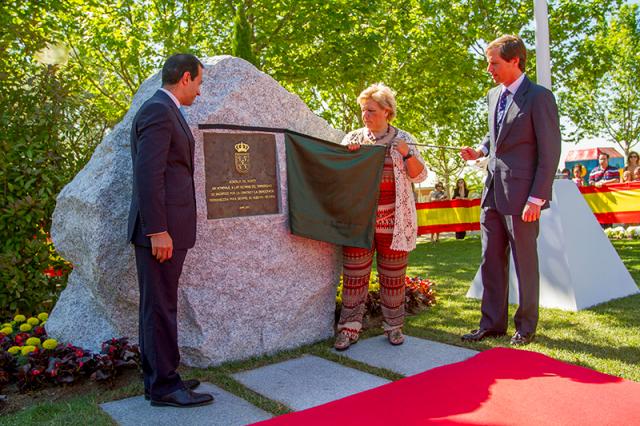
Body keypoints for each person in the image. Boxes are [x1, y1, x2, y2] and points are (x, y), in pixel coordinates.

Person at [459, 35, 561, 345]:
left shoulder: (540, 97)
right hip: (492, 192)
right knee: (490, 259)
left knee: (524, 263)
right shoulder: (493, 95)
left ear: (515, 61)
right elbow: (495, 136)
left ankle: (526, 327)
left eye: (494, 63)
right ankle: (491, 324)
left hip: (523, 197)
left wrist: (536, 197)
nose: (489, 69)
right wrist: (479, 151)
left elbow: (550, 151)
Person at [128, 54, 213, 407]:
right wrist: (158, 230)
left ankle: (161, 378)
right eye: (199, 83)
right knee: (160, 308)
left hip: (166, 231)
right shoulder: (159, 111)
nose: (200, 91)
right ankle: (164, 386)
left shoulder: (166, 109)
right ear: (186, 78)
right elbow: (149, 176)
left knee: (160, 306)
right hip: (160, 234)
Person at [335, 83, 428, 350]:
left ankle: (394, 327)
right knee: (354, 277)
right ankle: (349, 329)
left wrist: (406, 152)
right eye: (363, 110)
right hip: (359, 222)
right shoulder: (353, 138)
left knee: (393, 277)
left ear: (387, 112)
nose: (366, 115)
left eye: (371, 110)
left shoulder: (405, 138)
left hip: (396, 222)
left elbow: (420, 176)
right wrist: (347, 158)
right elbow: (337, 177)